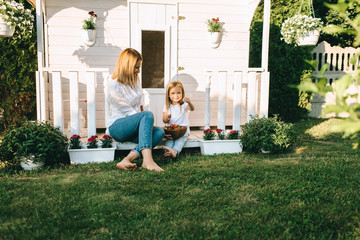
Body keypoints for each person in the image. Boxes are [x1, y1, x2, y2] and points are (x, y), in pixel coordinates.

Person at [106, 48, 165, 172]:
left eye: (139, 67)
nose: (138, 71)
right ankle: (147, 160)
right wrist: (147, 121)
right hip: (119, 127)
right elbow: (131, 112)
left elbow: (140, 105)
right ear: (126, 66)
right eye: (136, 67)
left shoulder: (135, 79)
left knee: (159, 132)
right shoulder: (114, 86)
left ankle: (126, 159)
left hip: (134, 126)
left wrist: (149, 126)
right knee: (147, 115)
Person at [162, 81, 195, 158]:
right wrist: (167, 118)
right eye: (173, 93)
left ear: (182, 93)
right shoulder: (167, 106)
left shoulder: (183, 104)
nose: (176, 95)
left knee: (179, 142)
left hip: (182, 131)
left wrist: (189, 102)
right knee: (169, 141)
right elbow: (164, 120)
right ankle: (168, 152)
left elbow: (192, 109)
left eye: (178, 93)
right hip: (172, 132)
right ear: (169, 95)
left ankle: (175, 151)